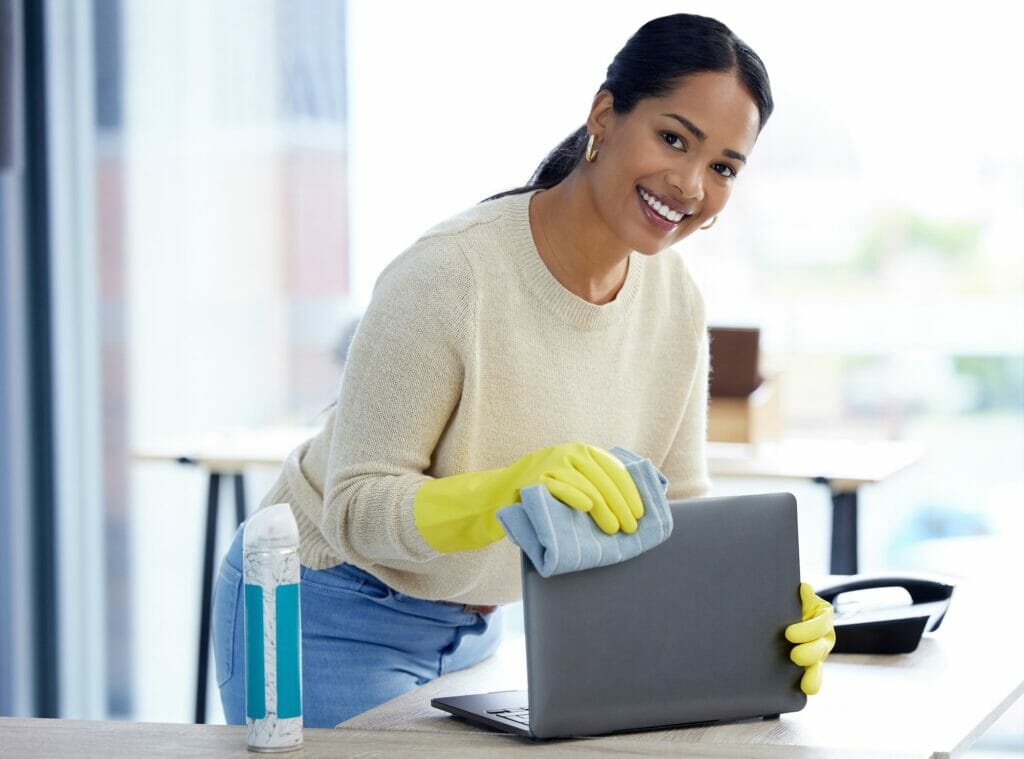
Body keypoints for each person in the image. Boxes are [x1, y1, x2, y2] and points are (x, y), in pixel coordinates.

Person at [212, 12, 835, 728]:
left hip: (485, 631)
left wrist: (759, 615)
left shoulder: (676, 305)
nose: (692, 184)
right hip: (324, 605)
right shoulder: (452, 273)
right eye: (673, 138)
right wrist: (508, 491)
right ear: (605, 114)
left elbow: (679, 513)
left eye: (723, 166)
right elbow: (355, 508)